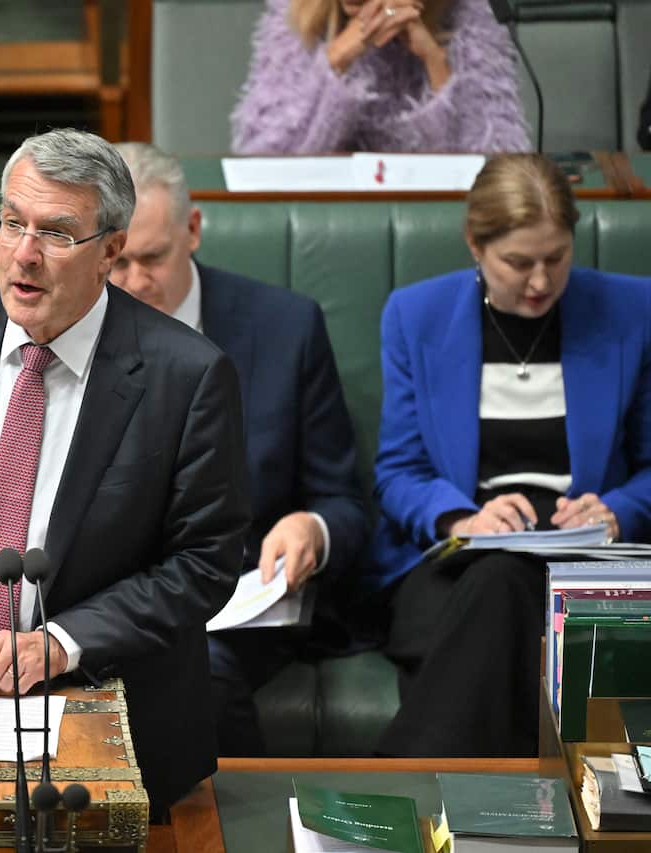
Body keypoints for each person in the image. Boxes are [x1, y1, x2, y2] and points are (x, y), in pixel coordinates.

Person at [0, 128, 250, 814]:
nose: (24, 255)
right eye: (12, 224)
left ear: (111, 250)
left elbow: (204, 563)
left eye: (58, 234)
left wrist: (62, 643)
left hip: (106, 708)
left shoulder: (187, 374)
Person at [368, 153, 651, 756]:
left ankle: (398, 789)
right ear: (475, 244)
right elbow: (399, 471)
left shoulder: (633, 311)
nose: (541, 282)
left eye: (557, 259)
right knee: (499, 582)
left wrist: (619, 510)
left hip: (589, 564)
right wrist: (461, 519)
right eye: (518, 263)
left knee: (497, 605)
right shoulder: (417, 316)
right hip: (460, 561)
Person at [109, 142, 368, 756]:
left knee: (189, 669)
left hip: (239, 595)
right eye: (116, 262)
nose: (134, 282)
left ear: (192, 230)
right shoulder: (70, 325)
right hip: (108, 594)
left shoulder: (285, 328)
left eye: (152, 258)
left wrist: (313, 527)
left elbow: (344, 501)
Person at [230, 0, 530, 153]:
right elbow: (262, 156)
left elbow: (496, 170)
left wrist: (436, 64)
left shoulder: (466, 14)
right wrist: (337, 57)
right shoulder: (299, 10)